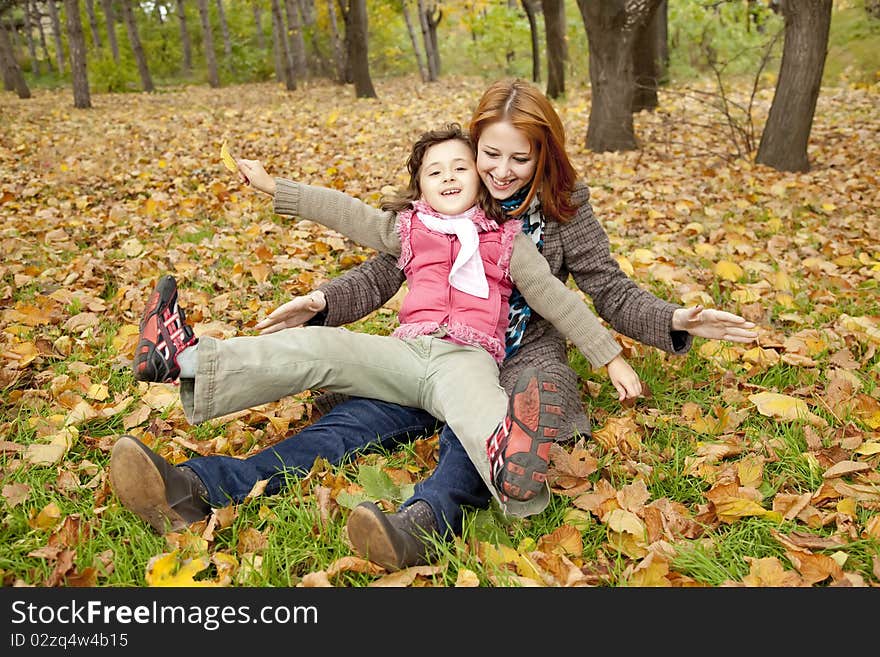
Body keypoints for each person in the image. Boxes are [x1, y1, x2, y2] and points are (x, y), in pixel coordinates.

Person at [111, 79, 757, 571]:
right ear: (470, 150)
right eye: (488, 155)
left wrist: (665, 323)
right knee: (342, 428)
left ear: (544, 155)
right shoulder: (436, 212)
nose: (500, 173)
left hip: (512, 362)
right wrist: (320, 300)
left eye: (519, 160)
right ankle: (196, 485)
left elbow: (601, 291)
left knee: (486, 434)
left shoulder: (560, 214)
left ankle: (421, 522)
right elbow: (380, 266)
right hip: (419, 351)